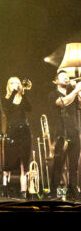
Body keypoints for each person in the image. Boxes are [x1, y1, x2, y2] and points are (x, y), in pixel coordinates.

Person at [48, 70, 81, 200]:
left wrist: (78, 91)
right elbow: (62, 102)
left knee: (74, 167)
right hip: (61, 134)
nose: (66, 78)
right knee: (59, 164)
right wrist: (76, 90)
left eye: (67, 76)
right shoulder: (53, 94)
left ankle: (73, 191)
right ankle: (52, 192)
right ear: (56, 80)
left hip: (74, 133)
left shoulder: (72, 94)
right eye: (63, 76)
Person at [1, 76, 32, 198]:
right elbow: (7, 108)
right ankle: (5, 188)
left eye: (18, 83)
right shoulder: (6, 99)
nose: (16, 85)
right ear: (8, 85)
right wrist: (15, 93)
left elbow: (30, 108)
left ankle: (23, 191)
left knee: (24, 163)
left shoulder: (23, 98)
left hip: (24, 131)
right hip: (12, 132)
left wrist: (23, 94)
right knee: (9, 161)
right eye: (13, 83)